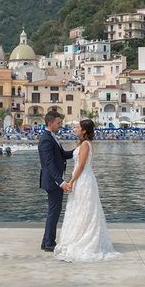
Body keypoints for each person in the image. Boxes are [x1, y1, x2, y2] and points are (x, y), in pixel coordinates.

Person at [54, 119, 120, 262]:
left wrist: (71, 181)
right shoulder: (83, 144)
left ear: (84, 130)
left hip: (83, 179)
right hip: (82, 179)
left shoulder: (85, 145)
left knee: (84, 208)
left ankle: (83, 238)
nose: (75, 129)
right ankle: (79, 235)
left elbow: (82, 165)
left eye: (77, 127)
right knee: (80, 208)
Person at [38, 110, 74, 252]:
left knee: (53, 211)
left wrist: (78, 150)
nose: (61, 125)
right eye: (58, 123)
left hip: (53, 181)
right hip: (53, 182)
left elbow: (62, 155)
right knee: (54, 212)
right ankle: (49, 243)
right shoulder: (46, 139)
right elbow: (49, 163)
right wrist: (61, 182)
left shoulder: (52, 137)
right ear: (51, 122)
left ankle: (46, 241)